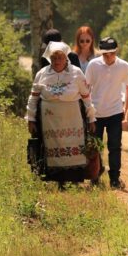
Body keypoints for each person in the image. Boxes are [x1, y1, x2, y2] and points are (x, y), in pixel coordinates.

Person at [26, 42, 96, 185]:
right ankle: (58, 181)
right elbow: (33, 99)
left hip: (72, 120)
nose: (57, 62)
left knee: (73, 148)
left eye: (60, 58)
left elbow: (87, 98)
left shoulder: (76, 73)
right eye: (54, 59)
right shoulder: (42, 74)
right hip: (50, 122)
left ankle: (74, 180)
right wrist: (31, 119)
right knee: (53, 148)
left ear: (66, 58)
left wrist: (91, 118)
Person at [84, 37, 128, 189]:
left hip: (115, 112)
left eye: (111, 53)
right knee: (95, 146)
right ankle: (95, 176)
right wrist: (87, 110)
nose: (108, 56)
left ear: (116, 51)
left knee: (115, 147)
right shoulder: (93, 65)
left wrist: (126, 109)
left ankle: (114, 179)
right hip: (96, 112)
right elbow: (86, 87)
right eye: (105, 54)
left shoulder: (124, 66)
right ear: (101, 52)